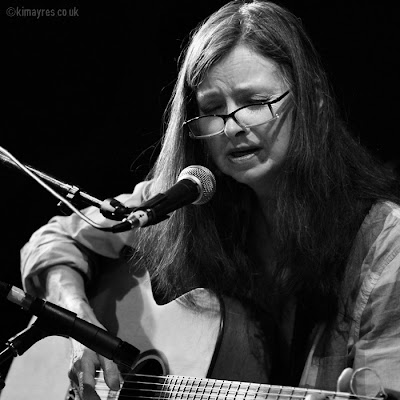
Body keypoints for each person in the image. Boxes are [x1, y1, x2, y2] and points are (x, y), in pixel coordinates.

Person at [18, 0, 400, 399]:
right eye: (213, 109)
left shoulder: (385, 248)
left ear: (313, 100)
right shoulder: (184, 202)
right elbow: (55, 238)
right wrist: (79, 322)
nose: (232, 127)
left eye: (255, 102)